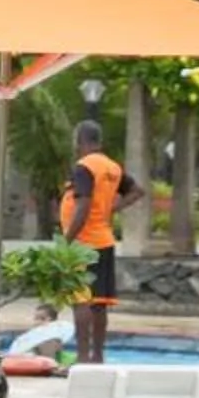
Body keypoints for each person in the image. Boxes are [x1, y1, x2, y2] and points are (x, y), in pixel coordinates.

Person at [61, 118, 122, 364]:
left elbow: (83, 205)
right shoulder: (112, 167)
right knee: (99, 303)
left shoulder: (84, 167)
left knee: (81, 301)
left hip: (83, 243)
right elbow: (136, 191)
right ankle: (97, 357)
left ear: (79, 140)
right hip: (104, 240)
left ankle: (82, 358)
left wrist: (67, 241)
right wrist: (109, 209)